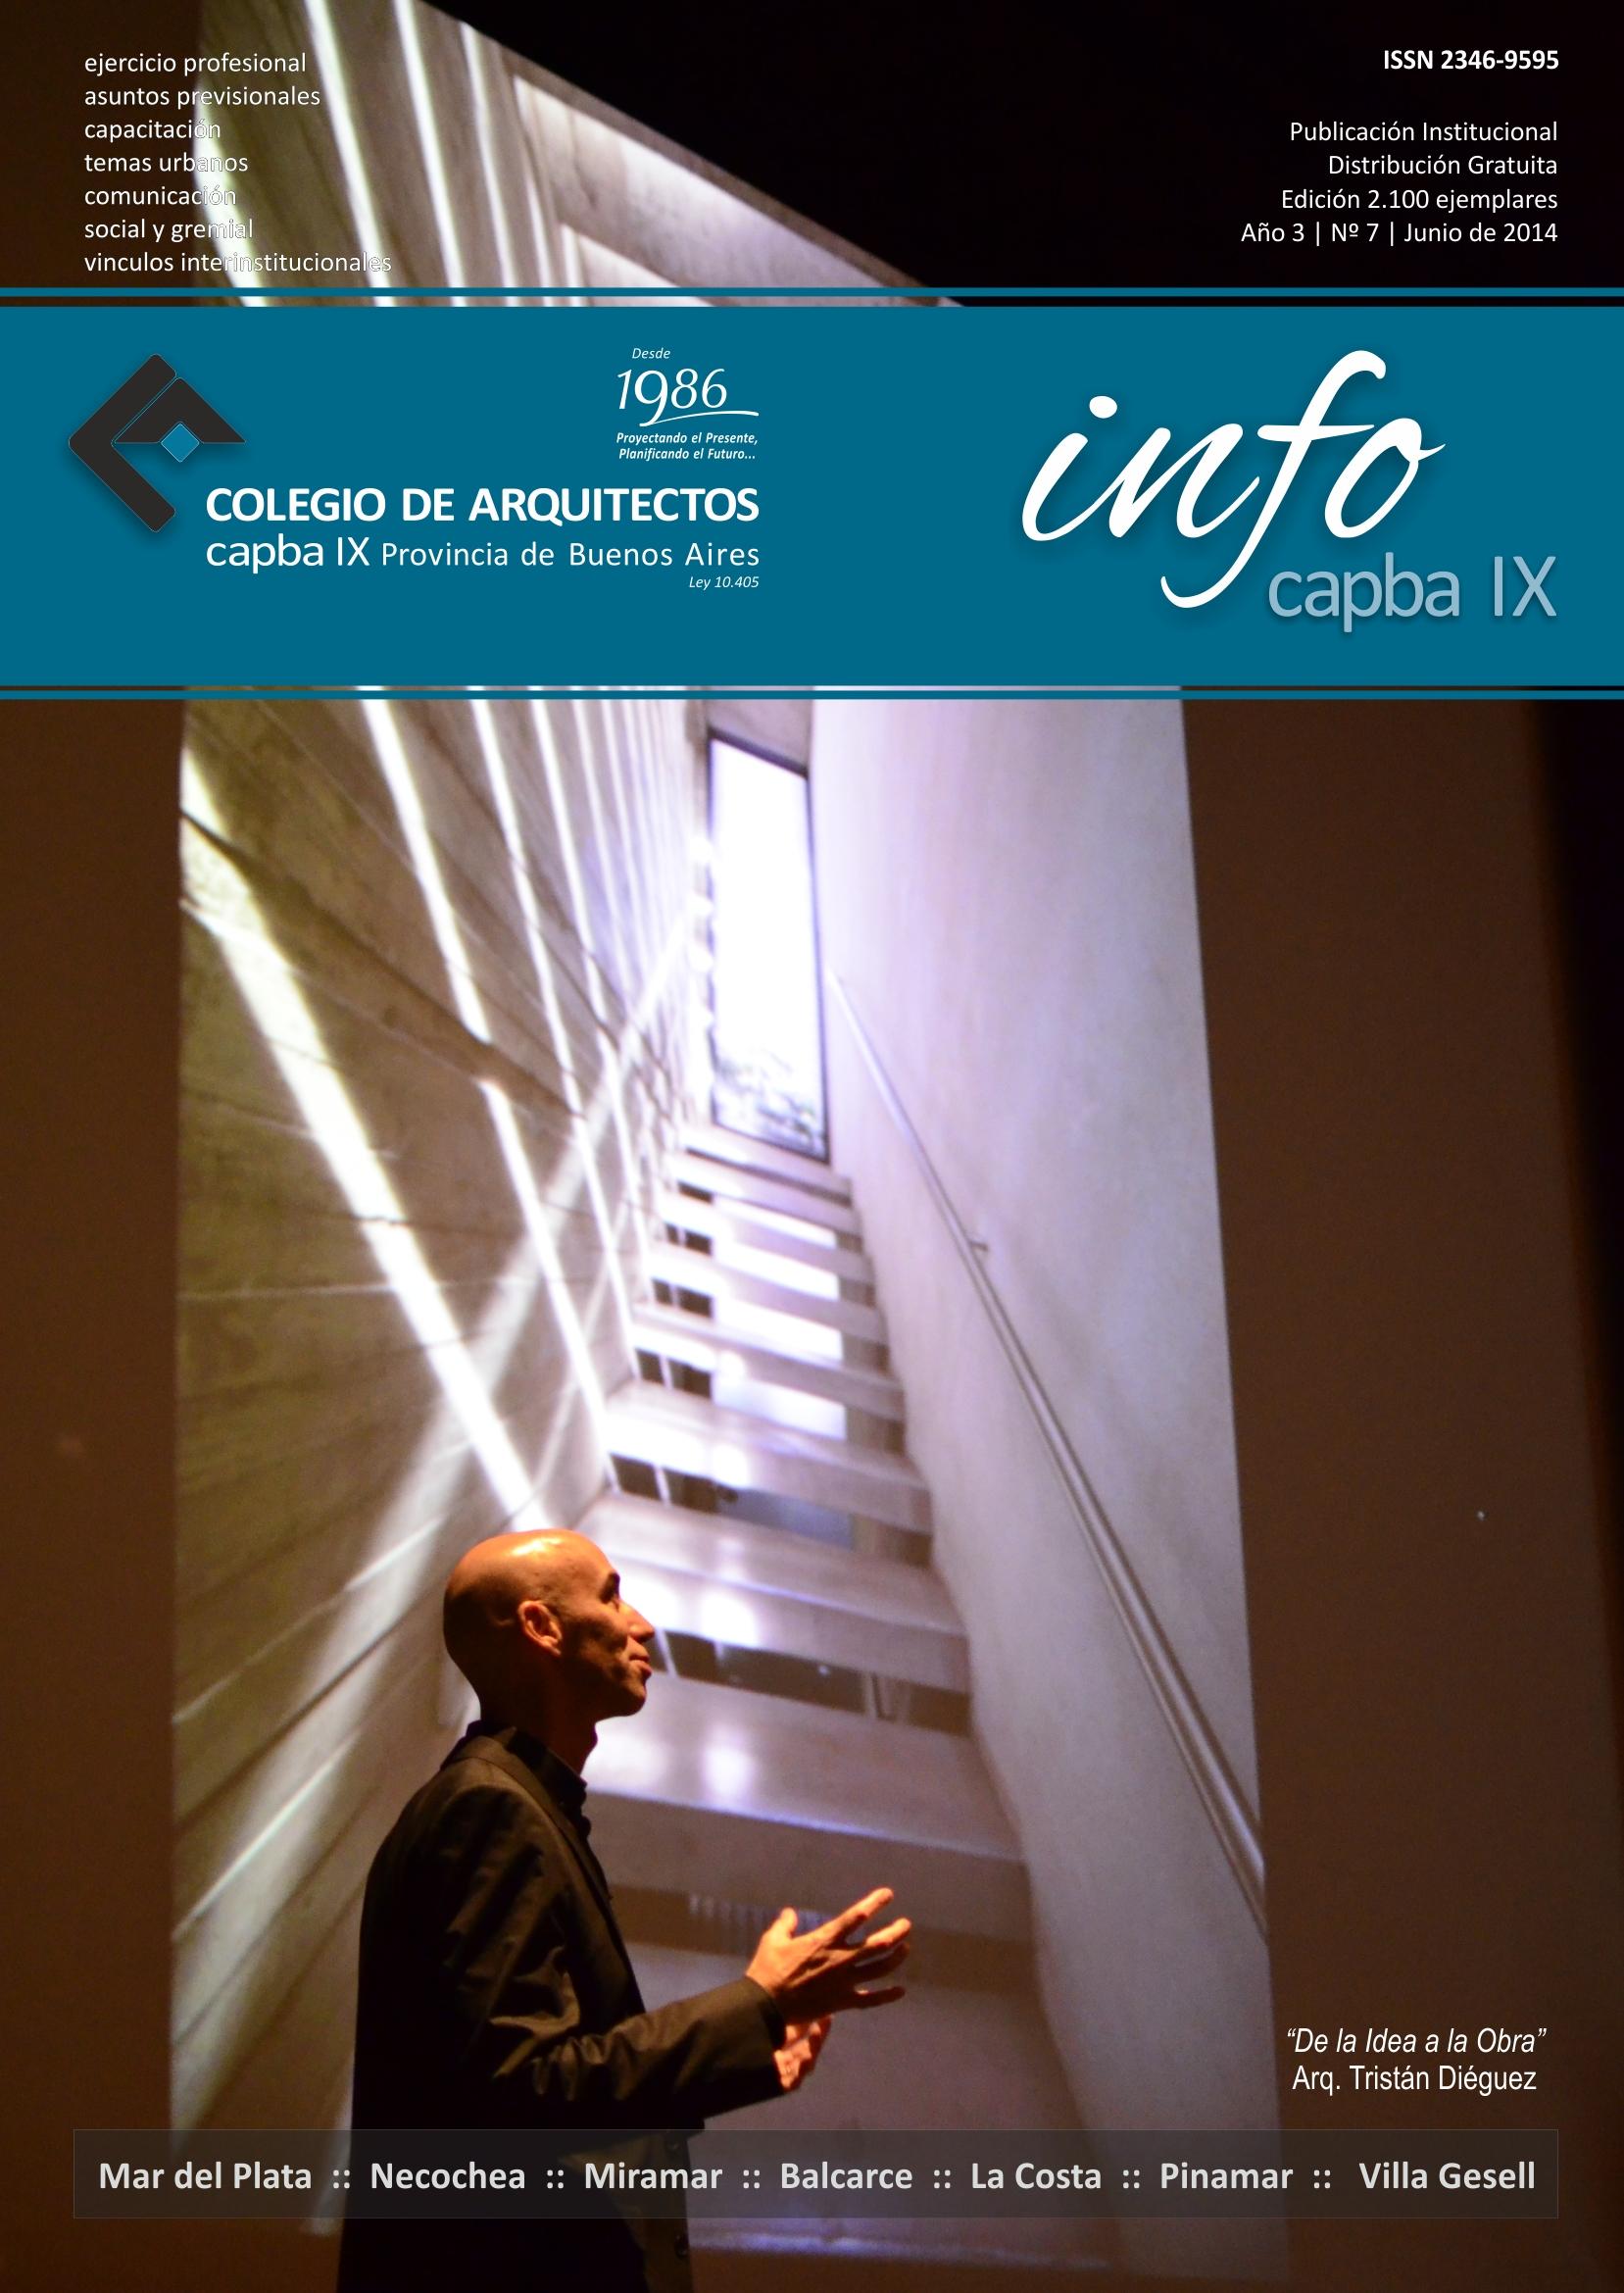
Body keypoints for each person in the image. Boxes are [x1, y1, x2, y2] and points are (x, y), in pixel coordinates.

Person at [336, 1526, 910, 2293]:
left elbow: (527, 2096)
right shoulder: (489, 1809)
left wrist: (746, 2049)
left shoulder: (514, 1803)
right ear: (542, 1626)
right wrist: (758, 2002)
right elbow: (524, 2090)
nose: (642, 1623)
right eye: (612, 1597)